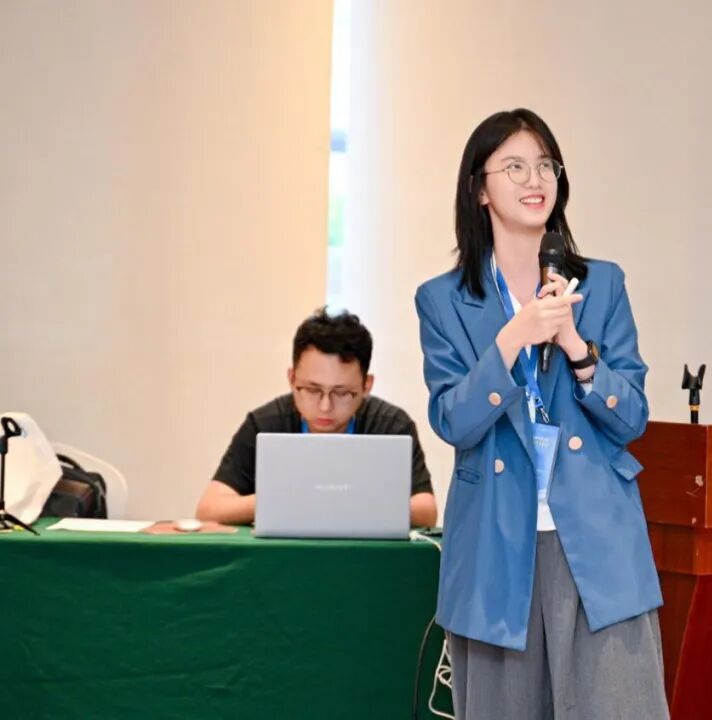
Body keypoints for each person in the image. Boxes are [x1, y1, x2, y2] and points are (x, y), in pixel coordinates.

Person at [415, 109, 667, 719]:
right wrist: (512, 339)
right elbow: (453, 421)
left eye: (546, 165)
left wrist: (578, 348)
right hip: (496, 546)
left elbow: (632, 418)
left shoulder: (601, 284)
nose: (536, 179)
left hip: (597, 541)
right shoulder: (443, 300)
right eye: (515, 166)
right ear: (479, 189)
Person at [196, 307, 437, 527]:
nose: (325, 406)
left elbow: (426, 511)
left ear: (367, 385)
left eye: (342, 392)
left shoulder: (391, 425)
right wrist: (283, 499)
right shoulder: (265, 424)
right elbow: (209, 508)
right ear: (292, 379)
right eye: (312, 390)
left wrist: (339, 500)